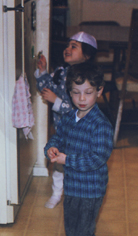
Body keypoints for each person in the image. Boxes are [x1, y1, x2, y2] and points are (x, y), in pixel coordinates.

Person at [42, 62, 114, 236]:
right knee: (81, 224)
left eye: (88, 93)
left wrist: (67, 160)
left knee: (76, 230)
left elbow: (97, 158)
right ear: (69, 92)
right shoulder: (69, 118)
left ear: (99, 91)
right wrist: (51, 148)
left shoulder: (100, 125)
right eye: (76, 92)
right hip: (73, 186)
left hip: (91, 190)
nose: (82, 98)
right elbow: (57, 137)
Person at [35, 31, 98, 209]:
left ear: (86, 55)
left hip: (80, 134)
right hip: (63, 132)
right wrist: (42, 73)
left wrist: (56, 101)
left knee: (76, 164)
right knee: (58, 163)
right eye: (67, 45)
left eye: (73, 47)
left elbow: (79, 110)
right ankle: (56, 194)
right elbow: (48, 90)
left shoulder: (85, 80)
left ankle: (78, 197)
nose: (67, 49)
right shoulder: (61, 71)